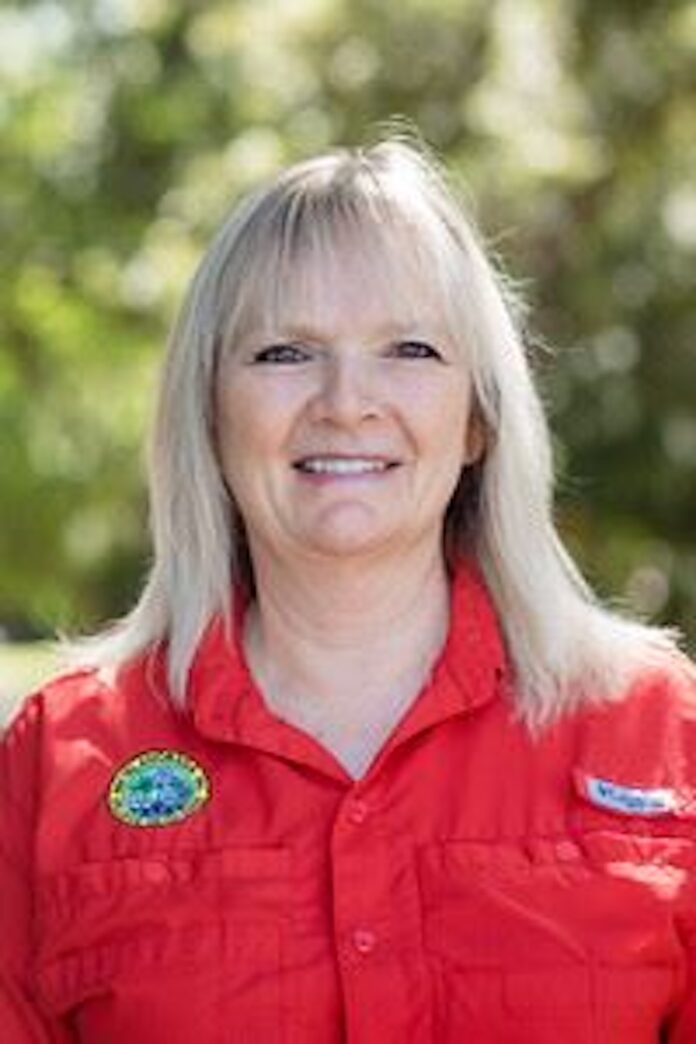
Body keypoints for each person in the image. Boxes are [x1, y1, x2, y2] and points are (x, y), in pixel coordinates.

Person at [1, 133, 694, 1044]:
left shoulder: (657, 735)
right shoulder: (58, 763)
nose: (345, 401)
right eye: (285, 353)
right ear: (208, 415)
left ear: (479, 419)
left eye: (408, 349)